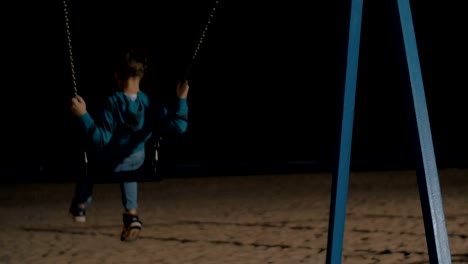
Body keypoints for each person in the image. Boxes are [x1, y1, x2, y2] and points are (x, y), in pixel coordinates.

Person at [68, 47, 189, 242]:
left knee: (91, 164)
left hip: (110, 164)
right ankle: (131, 215)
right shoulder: (150, 103)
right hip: (138, 162)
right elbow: (179, 127)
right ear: (142, 74)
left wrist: (83, 115)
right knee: (128, 166)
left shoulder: (113, 103)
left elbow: (100, 139)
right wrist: (181, 99)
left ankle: (81, 205)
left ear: (117, 75)